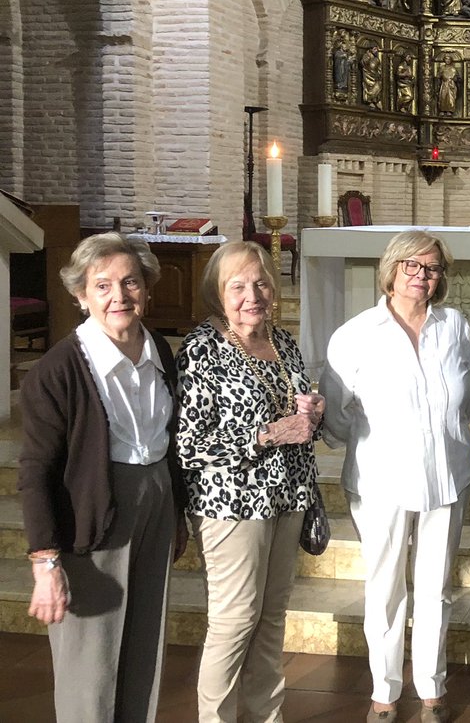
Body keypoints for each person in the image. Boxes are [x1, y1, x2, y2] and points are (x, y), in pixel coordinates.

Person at [19, 233, 187, 721]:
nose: (119, 296)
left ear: (147, 288)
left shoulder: (159, 349)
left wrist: (176, 513)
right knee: (90, 666)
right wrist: (45, 562)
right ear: (81, 295)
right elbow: (36, 470)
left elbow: (171, 439)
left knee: (143, 648)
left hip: (156, 502)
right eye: (103, 285)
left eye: (130, 282)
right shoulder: (58, 369)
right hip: (92, 513)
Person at [323, 231, 470, 723]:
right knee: (386, 589)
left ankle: (432, 689)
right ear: (391, 270)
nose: (422, 275)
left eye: (431, 268)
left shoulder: (455, 326)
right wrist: (379, 440)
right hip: (381, 480)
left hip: (446, 476)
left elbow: (466, 398)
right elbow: (335, 415)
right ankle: (385, 693)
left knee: (436, 588)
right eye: (412, 265)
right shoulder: (356, 334)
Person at [176, 240, 325, 722]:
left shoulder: (282, 342)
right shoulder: (202, 349)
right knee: (235, 620)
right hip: (232, 505)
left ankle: (266, 717)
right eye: (237, 286)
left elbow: (297, 417)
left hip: (289, 496)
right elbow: (190, 445)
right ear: (218, 293)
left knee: (271, 618)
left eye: (260, 283)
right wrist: (265, 435)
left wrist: (312, 413)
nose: (252, 295)